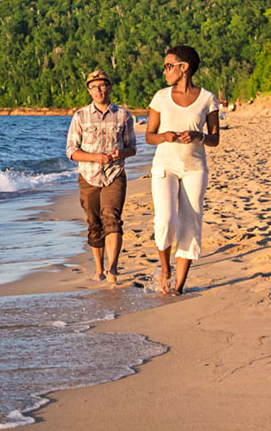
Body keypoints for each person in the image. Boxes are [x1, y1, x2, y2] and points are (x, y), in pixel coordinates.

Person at [143, 45, 220, 296]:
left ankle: (179, 286)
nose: (164, 71)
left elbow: (215, 139)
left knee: (191, 222)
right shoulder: (161, 97)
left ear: (183, 68)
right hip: (165, 165)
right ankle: (165, 269)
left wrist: (199, 136)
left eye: (168, 66)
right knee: (164, 220)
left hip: (195, 167)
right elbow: (149, 136)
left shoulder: (207, 98)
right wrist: (164, 136)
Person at [65, 69, 136, 283]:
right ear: (89, 91)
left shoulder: (123, 115)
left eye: (103, 85)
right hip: (88, 176)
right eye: (94, 87)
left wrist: (119, 153)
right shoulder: (80, 116)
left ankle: (112, 269)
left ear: (110, 87)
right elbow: (71, 151)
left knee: (112, 219)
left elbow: (132, 147)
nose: (99, 90)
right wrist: (94, 157)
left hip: (115, 174)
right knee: (94, 223)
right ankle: (99, 270)